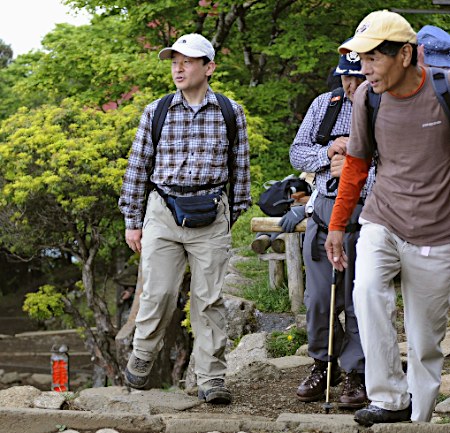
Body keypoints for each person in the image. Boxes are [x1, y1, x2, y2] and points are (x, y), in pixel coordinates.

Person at [325, 10, 450, 427]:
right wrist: (338, 226)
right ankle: (388, 398)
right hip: (383, 218)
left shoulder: (443, 90)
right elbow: (356, 165)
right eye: (362, 59)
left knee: (424, 339)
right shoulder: (368, 97)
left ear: (405, 54)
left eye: (374, 58)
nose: (364, 70)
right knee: (366, 295)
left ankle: (418, 418)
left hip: (438, 231)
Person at [118, 33, 251, 404]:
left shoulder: (229, 111)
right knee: (158, 292)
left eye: (188, 61)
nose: (179, 67)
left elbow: (240, 169)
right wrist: (132, 218)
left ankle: (212, 378)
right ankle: (143, 354)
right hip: (163, 210)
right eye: (174, 60)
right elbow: (137, 167)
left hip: (211, 211)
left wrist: (230, 216)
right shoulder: (156, 111)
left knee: (208, 300)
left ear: (209, 67)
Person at [289, 52, 375, 408]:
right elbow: (297, 153)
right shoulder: (324, 104)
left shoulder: (383, 106)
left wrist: (356, 169)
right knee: (319, 300)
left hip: (368, 214)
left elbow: (399, 165)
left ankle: (356, 373)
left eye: (357, 78)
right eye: (345, 78)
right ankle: (323, 365)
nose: (351, 85)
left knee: (359, 302)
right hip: (324, 215)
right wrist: (328, 154)